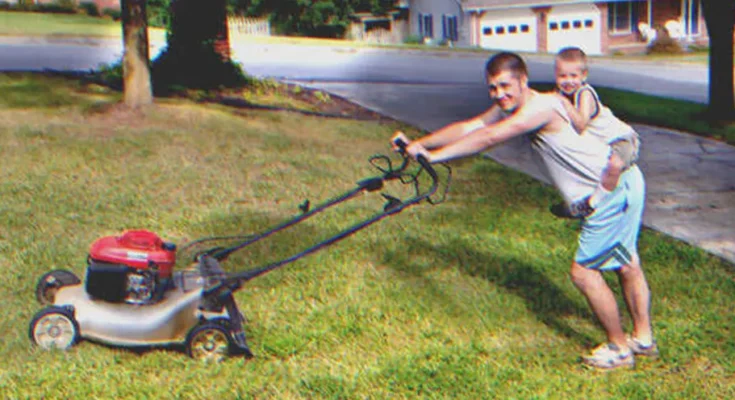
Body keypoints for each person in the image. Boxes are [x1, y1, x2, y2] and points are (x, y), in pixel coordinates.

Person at [392, 51, 656, 370]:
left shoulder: (541, 107)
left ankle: (619, 349)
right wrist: (421, 145)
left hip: (612, 190)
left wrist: (436, 158)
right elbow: (472, 125)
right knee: (627, 264)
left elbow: (489, 136)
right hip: (625, 183)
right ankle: (642, 339)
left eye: (505, 86)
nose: (500, 94)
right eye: (493, 88)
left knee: (584, 273)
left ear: (523, 81)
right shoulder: (519, 104)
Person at [551, 46, 641, 219]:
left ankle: (593, 205)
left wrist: (563, 102)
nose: (568, 81)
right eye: (562, 76)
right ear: (556, 75)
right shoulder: (560, 94)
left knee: (613, 166)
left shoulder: (585, 94)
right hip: (600, 144)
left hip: (622, 140)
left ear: (583, 76)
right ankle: (576, 199)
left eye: (573, 76)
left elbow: (581, 124)